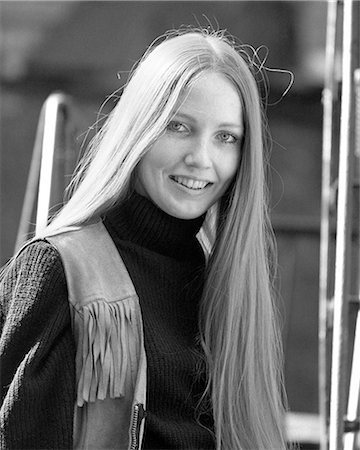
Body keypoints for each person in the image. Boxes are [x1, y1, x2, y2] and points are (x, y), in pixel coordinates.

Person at [0, 27, 288, 449]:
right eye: (179, 126)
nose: (201, 158)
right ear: (140, 129)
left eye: (225, 137)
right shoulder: (62, 270)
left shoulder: (224, 280)